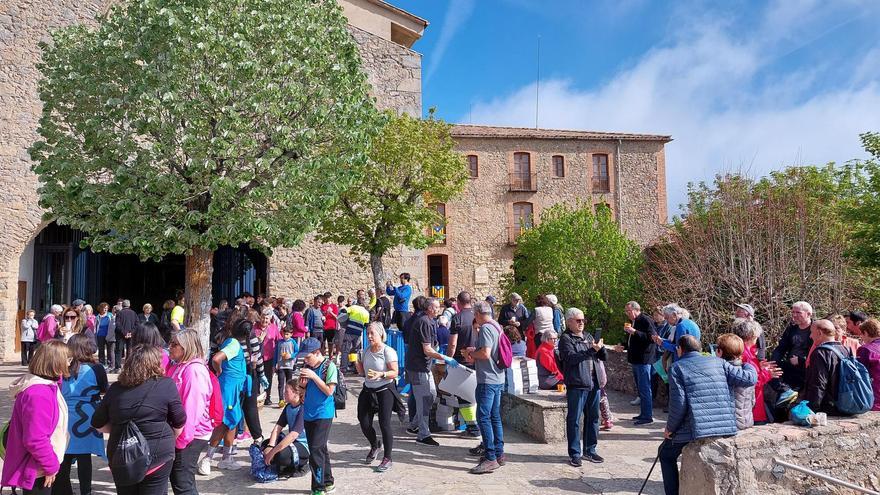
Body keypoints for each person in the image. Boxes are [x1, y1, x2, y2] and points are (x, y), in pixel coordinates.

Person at [660, 335, 758, 495]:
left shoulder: (677, 368)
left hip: (696, 428)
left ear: (680, 349)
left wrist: (670, 428)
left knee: (665, 454)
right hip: (726, 426)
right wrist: (747, 363)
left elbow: (679, 404)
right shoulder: (719, 362)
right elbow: (749, 379)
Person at [92, 345, 185, 494]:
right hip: (158, 453)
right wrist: (170, 437)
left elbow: (97, 423)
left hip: (123, 455)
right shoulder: (166, 385)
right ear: (156, 364)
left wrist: (120, 427)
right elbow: (179, 421)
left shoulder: (116, 389)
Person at [1, 340, 70, 495]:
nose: (69, 363)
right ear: (55, 363)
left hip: (42, 464)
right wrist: (50, 466)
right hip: (38, 467)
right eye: (67, 359)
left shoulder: (45, 386)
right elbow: (35, 438)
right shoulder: (39, 394)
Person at [55, 334, 107, 495]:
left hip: (64, 414)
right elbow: (104, 389)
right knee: (84, 456)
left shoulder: (61, 367)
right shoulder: (96, 368)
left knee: (64, 455)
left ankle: (64, 490)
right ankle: (86, 491)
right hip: (88, 415)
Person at [198, 319, 250, 473]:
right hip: (228, 389)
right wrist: (219, 370)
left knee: (232, 421)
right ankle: (207, 459)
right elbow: (216, 358)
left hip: (233, 388)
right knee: (224, 422)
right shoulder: (234, 343)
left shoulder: (232, 341)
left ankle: (227, 458)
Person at [165, 330, 213, 495]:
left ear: (186, 347)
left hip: (191, 434)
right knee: (179, 479)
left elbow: (192, 410)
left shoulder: (194, 371)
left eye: (174, 344)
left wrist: (180, 440)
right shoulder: (178, 366)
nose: (170, 347)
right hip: (180, 432)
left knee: (182, 481)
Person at [558, 307, 606, 467]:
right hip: (577, 383)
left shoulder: (588, 336)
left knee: (593, 418)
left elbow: (602, 357)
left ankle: (590, 450)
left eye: (583, 320)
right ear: (569, 321)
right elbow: (571, 358)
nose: (581, 323)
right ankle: (575, 453)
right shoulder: (566, 339)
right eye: (578, 320)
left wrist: (601, 349)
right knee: (574, 419)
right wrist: (591, 350)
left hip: (594, 383)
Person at [406, 297, 458, 446]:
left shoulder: (430, 321)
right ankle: (423, 435)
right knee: (423, 398)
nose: (438, 309)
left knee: (431, 394)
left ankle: (414, 424)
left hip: (424, 366)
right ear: (428, 308)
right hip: (418, 366)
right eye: (435, 307)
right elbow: (427, 349)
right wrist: (445, 357)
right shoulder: (424, 322)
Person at [466, 301, 506, 474]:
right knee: (494, 416)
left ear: (478, 314)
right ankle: (499, 453)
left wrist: (470, 354)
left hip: (487, 380)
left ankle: (490, 457)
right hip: (498, 378)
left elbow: (485, 353)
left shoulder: (486, 328)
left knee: (483, 417)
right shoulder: (497, 326)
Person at [356, 322, 400, 472]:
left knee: (384, 423)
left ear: (381, 334)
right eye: (367, 333)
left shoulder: (388, 351)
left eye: (372, 333)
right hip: (368, 389)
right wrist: (356, 361)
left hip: (385, 389)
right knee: (364, 422)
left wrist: (381, 374)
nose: (369, 336)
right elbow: (362, 372)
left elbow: (395, 372)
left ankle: (388, 457)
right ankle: (375, 445)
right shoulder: (366, 350)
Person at [298, 337, 339, 495]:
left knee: (315, 451)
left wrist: (314, 377)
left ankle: (318, 487)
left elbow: (329, 391)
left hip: (323, 413)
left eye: (307, 357)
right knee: (320, 449)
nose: (305, 360)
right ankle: (328, 482)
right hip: (309, 413)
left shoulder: (329, 367)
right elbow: (302, 388)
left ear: (316, 353)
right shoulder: (306, 366)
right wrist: (301, 387)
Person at [730, 318, 780, 425]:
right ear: (751, 336)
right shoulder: (744, 354)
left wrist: (760, 367)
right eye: (757, 336)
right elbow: (749, 382)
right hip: (749, 405)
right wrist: (767, 374)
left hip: (751, 402)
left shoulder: (745, 352)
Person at [444, 291, 480, 437]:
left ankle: (473, 428)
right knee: (475, 395)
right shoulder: (478, 316)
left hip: (461, 361)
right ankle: (474, 425)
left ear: (458, 302)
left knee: (464, 396)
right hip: (478, 360)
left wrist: (447, 359)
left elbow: (452, 344)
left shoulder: (457, 318)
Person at [262, 380, 310, 478]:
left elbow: (293, 435)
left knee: (280, 455)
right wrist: (271, 446)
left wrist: (273, 452)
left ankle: (303, 464)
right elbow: (277, 427)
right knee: (264, 445)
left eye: (286, 391)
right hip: (293, 442)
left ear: (296, 393)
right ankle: (286, 464)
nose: (284, 394)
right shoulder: (288, 407)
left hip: (303, 444)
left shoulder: (302, 408)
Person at [803, 319, 848, 415]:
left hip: (826, 406)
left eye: (811, 332)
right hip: (842, 402)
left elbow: (819, 383)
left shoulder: (820, 353)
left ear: (819, 333)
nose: (810, 336)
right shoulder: (844, 349)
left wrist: (811, 409)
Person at [624, 301, 657, 425]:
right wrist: (622, 345)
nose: (627, 313)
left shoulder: (645, 320)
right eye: (626, 311)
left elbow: (651, 338)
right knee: (641, 388)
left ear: (636, 310)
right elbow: (633, 340)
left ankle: (647, 416)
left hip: (644, 359)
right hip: (636, 359)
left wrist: (634, 332)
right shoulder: (635, 321)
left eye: (628, 311)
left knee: (645, 388)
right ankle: (643, 413)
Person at [771, 301, 814, 392]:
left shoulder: (816, 329)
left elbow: (818, 352)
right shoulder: (792, 329)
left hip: (808, 370)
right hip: (790, 368)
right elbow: (781, 348)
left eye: (798, 312)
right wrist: (773, 363)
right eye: (793, 312)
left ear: (809, 314)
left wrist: (801, 360)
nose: (794, 315)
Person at [714, 333, 753, 430]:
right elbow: (753, 401)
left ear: (720, 352)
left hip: (728, 424)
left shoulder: (720, 372)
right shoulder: (747, 372)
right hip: (747, 421)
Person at [255, 308, 282, 405]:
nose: (264, 320)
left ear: (270, 319)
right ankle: (257, 396)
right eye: (263, 317)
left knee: (268, 377)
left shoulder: (273, 327)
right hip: (257, 357)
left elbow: (279, 341)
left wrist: (279, 358)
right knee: (257, 377)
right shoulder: (255, 327)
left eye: (266, 318)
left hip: (269, 357)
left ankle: (267, 397)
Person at [856, 318, 880, 411]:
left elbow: (859, 376)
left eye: (861, 334)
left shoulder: (865, 350)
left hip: (875, 398)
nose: (861, 337)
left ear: (865, 332)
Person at [275, 327, 298, 408]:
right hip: (281, 365)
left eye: (287, 334)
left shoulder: (293, 342)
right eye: (284, 334)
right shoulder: (279, 342)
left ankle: (289, 399)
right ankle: (281, 399)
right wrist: (275, 364)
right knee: (280, 383)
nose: (285, 336)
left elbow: (297, 351)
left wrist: (290, 356)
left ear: (291, 334)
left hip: (289, 365)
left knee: (289, 383)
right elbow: (276, 353)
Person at [114, 300, 139, 367]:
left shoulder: (119, 313)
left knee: (118, 350)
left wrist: (124, 333)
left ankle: (118, 367)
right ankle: (128, 366)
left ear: (122, 305)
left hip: (120, 335)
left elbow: (118, 324)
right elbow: (137, 324)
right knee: (129, 350)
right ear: (129, 305)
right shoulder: (134, 313)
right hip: (131, 335)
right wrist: (130, 332)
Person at [320, 292, 339, 360]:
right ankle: (322, 358)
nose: (328, 299)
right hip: (323, 327)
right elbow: (321, 315)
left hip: (331, 327)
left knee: (330, 343)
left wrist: (331, 312)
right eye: (326, 298)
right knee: (322, 343)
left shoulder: (334, 306)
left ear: (331, 298)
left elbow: (337, 317)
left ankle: (330, 358)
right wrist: (324, 315)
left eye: (329, 297)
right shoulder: (322, 306)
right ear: (324, 298)